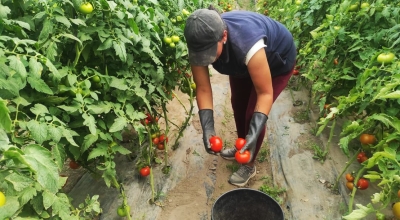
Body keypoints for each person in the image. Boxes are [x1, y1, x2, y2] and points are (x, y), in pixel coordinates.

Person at [183, 7, 297, 187]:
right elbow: (203, 89)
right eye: (201, 55)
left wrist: (254, 132)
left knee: (253, 113)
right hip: (242, 64)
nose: (207, 60)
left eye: (210, 53)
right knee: (238, 103)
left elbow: (265, 93)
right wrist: (208, 128)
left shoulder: (247, 44)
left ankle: (249, 164)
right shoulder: (199, 41)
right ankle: (241, 144)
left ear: (224, 36)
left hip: (277, 61)